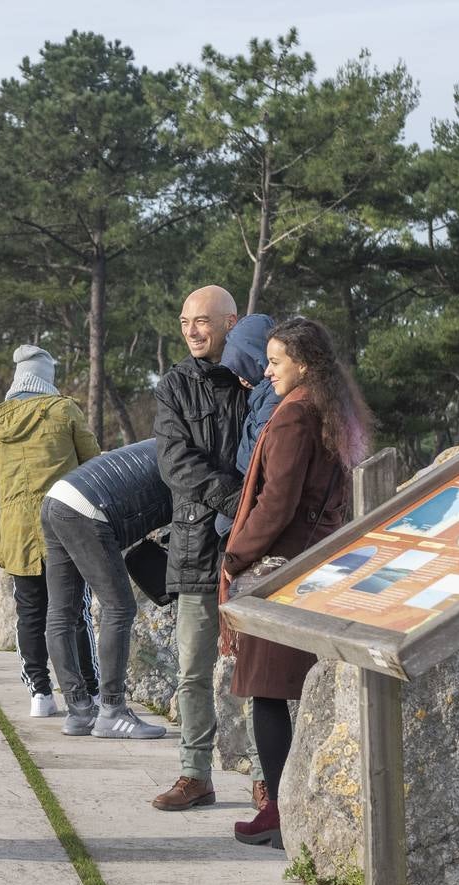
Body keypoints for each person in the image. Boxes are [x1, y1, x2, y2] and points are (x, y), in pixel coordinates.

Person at [224, 317, 371, 848]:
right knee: (301, 691)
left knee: (266, 691)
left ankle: (280, 813)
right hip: (320, 564)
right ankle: (296, 806)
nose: (266, 372)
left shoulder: (293, 418)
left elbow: (275, 503)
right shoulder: (333, 411)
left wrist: (235, 556)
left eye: (275, 361)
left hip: (280, 569)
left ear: (302, 364)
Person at [150, 285, 246, 812]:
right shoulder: (173, 386)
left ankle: (266, 777)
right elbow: (175, 463)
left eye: (202, 321)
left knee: (257, 671)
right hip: (194, 544)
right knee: (192, 670)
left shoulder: (256, 379)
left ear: (231, 322)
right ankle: (194, 774)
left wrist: (252, 516)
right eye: (185, 321)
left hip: (254, 548)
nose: (191, 330)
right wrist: (238, 500)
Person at [0, 345, 101, 717]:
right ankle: (88, 691)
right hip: (63, 527)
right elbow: (93, 461)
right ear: (46, 378)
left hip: (17, 530)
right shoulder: (64, 410)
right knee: (73, 611)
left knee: (30, 611)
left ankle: (39, 693)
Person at [42, 438, 171, 738]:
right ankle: (112, 710)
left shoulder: (167, 442)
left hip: (58, 497)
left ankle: (79, 712)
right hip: (87, 508)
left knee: (61, 612)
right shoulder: (188, 460)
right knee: (120, 607)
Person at [214, 312, 281, 811]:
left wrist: (236, 552)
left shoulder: (281, 409)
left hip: (261, 552)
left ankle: (272, 794)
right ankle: (269, 789)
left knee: (267, 682)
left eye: (248, 364)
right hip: (243, 535)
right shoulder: (257, 398)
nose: (240, 375)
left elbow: (270, 492)